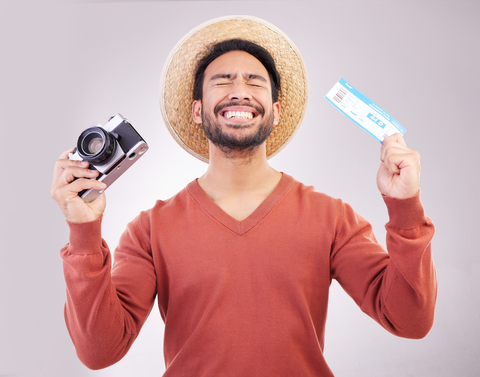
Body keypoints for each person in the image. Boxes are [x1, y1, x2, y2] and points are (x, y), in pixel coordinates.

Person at [51, 16, 436, 376]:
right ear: (198, 111)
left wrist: (405, 207)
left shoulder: (331, 218)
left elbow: (410, 320)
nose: (239, 92)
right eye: (222, 81)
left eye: (255, 82)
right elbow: (99, 351)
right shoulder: (149, 231)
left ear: (276, 111)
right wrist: (83, 231)